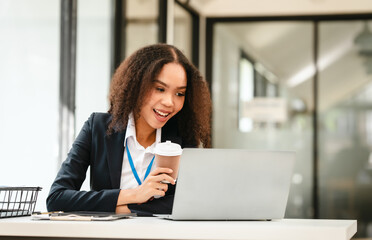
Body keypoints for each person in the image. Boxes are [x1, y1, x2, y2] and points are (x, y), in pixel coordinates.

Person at [46, 43, 211, 215]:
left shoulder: (183, 138)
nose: (169, 102)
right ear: (137, 84)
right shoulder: (98, 127)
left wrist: (121, 209)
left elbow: (188, 203)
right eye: (160, 89)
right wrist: (134, 195)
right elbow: (57, 198)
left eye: (179, 94)